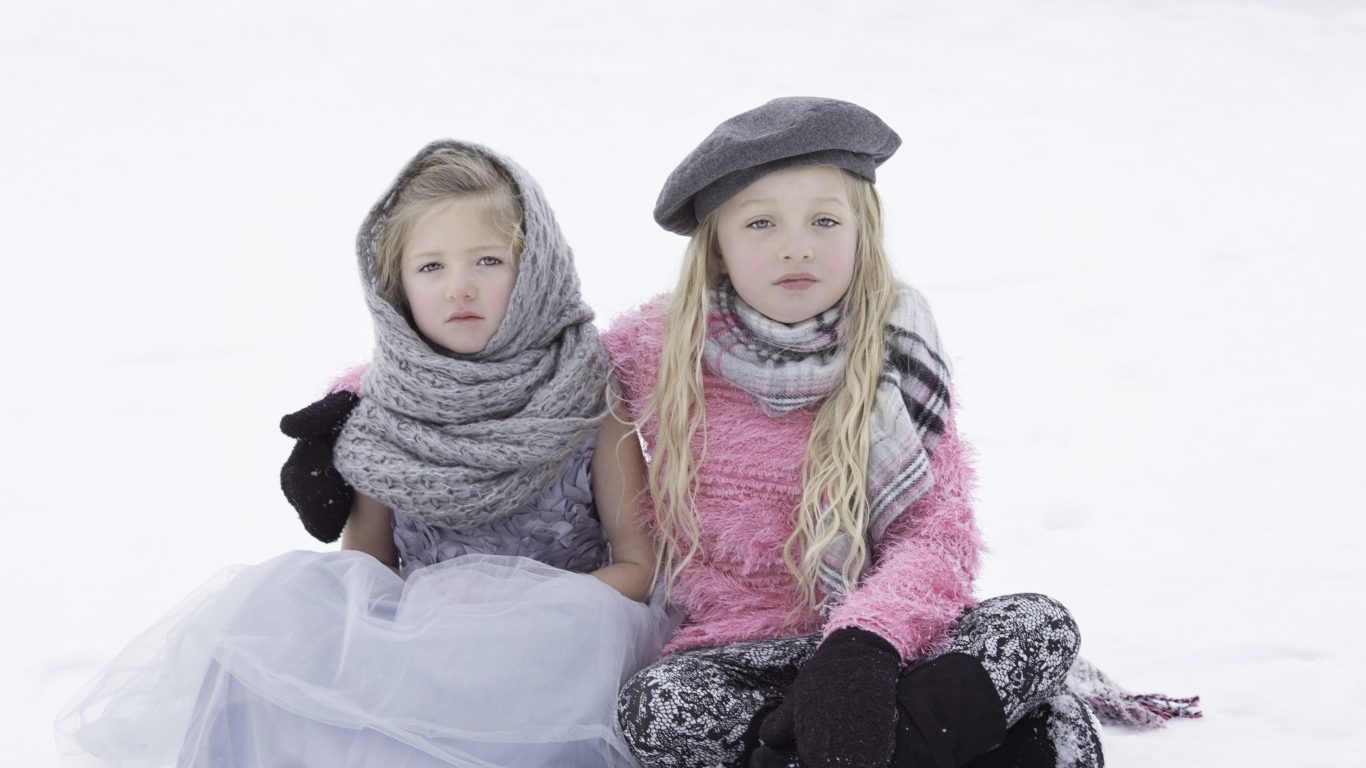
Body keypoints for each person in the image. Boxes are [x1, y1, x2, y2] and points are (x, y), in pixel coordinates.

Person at [601, 97, 1199, 768]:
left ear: (863, 231)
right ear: (716, 247)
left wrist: (863, 646)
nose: (795, 244)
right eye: (761, 223)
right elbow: (536, 375)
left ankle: (811, 751)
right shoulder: (656, 350)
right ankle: (950, 744)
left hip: (892, 642)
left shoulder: (897, 349)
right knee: (656, 706)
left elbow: (935, 534)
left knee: (1040, 624)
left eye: (824, 220)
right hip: (738, 651)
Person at [55, 141, 675, 768]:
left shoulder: (587, 397)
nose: (460, 287)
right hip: (430, 653)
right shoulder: (382, 413)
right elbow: (365, 574)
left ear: (536, 269)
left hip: (556, 656)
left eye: (488, 260)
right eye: (430, 267)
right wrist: (425, 628)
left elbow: (638, 567)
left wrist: (522, 609)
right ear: (395, 287)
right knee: (272, 627)